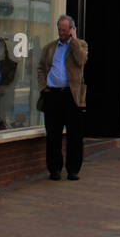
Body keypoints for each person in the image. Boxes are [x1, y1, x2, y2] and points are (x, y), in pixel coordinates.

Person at [37, 15, 88, 181]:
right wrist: (44, 87)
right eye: (59, 29)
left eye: (65, 30)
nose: (61, 33)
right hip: (52, 94)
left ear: (71, 30)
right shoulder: (50, 48)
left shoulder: (80, 45)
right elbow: (41, 68)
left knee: (74, 135)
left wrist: (73, 41)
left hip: (71, 96)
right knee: (53, 135)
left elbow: (81, 61)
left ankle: (73, 170)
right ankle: (54, 169)